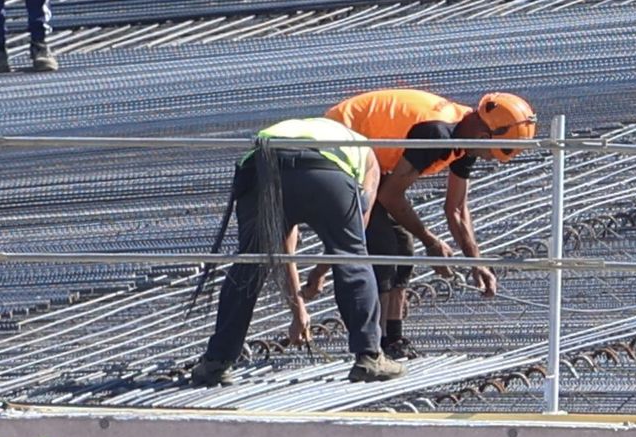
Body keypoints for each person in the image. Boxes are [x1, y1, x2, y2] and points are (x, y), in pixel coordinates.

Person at [317, 88, 537, 359]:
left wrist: (475, 262)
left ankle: (394, 338)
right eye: (489, 154)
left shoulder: (464, 136)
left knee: (403, 245)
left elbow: (456, 208)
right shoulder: (438, 133)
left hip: (370, 157)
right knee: (384, 247)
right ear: (483, 136)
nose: (485, 158)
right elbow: (390, 195)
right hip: (338, 144)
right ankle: (375, 346)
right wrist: (431, 241)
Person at [189, 117, 404, 387]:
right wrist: (320, 272)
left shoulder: (302, 127)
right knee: (353, 257)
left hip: (260, 170)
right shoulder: (367, 155)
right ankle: (369, 357)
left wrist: (299, 307)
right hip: (324, 174)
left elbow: (281, 249)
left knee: (250, 263)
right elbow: (358, 228)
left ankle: (216, 362)